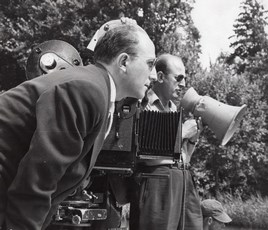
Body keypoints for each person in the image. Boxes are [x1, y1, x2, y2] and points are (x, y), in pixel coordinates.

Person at [0, 18, 157, 230]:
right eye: (150, 64)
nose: (154, 75)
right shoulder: (87, 90)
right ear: (123, 62)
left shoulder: (99, 91)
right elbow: (37, 183)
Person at [129, 53, 203, 230]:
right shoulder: (143, 103)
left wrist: (192, 140)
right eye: (178, 78)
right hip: (158, 179)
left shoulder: (174, 108)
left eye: (184, 78)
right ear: (160, 77)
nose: (183, 84)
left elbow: (183, 157)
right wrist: (183, 133)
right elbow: (146, 155)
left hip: (181, 177)